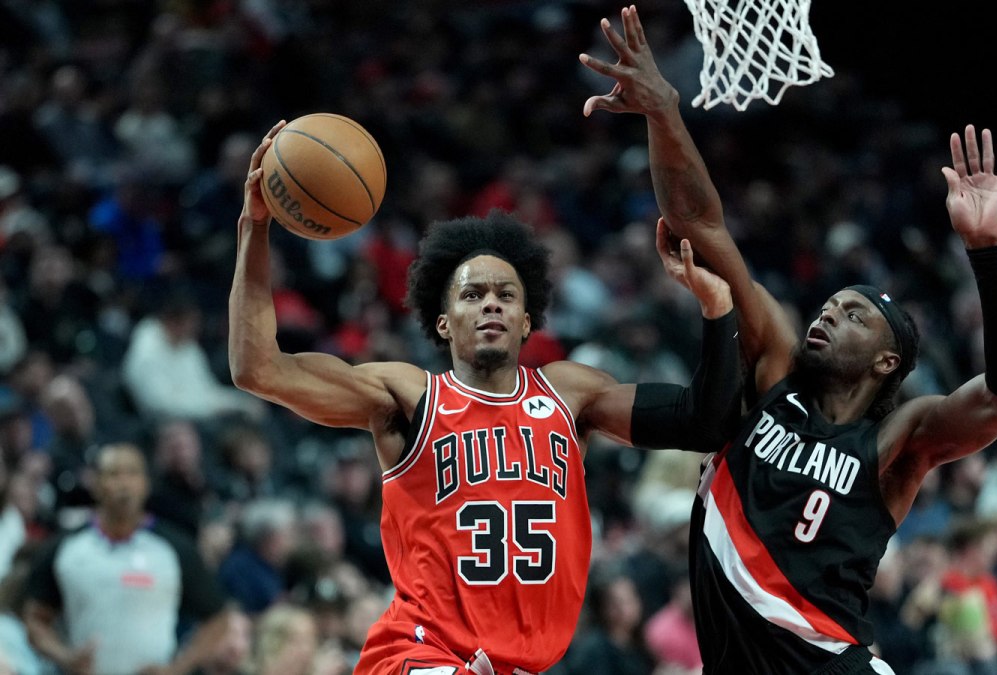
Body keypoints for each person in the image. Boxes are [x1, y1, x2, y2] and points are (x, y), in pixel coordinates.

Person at [580, 7, 997, 673]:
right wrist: (664, 114)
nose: (829, 314)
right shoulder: (774, 370)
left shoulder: (896, 441)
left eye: (854, 315)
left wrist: (988, 250)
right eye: (830, 304)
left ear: (886, 360)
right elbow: (700, 223)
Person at [229, 123, 741, 674]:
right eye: (472, 294)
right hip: (419, 654)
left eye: (505, 294)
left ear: (527, 320)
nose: (491, 304)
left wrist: (717, 310)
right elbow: (259, 369)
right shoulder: (408, 397)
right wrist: (254, 228)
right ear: (444, 322)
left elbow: (705, 421)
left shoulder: (571, 395)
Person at [21, 442, 231, 675]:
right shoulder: (65, 547)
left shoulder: (175, 548)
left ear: (145, 484)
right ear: (95, 484)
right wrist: (65, 657)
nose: (124, 484)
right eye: (113, 474)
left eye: (132, 473)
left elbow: (219, 619)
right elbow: (35, 618)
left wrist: (178, 668)